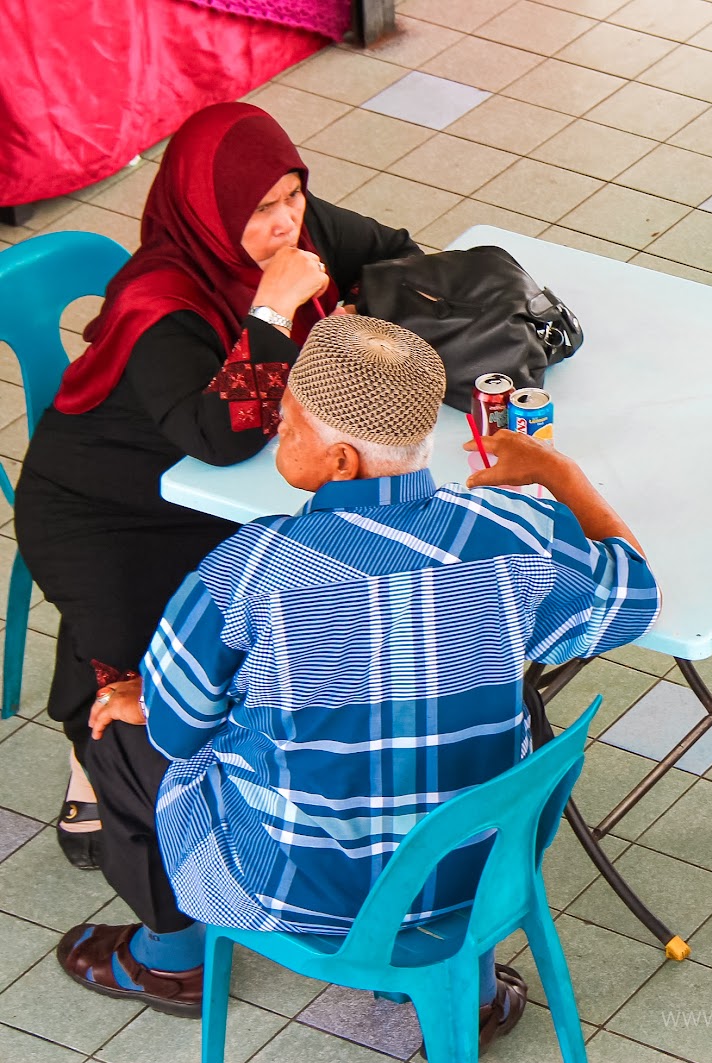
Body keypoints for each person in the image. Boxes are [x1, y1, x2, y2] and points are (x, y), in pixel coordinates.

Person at [61, 316, 659, 1046]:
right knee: (509, 708)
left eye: (286, 425)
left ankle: (169, 957)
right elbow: (634, 597)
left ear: (341, 460)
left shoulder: (245, 571)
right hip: (481, 877)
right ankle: (468, 989)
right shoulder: (515, 533)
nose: (277, 436)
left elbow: (178, 732)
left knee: (121, 738)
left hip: (299, 892)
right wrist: (565, 479)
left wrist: (154, 695)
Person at [14, 101, 419, 870]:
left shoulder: (300, 227)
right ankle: (102, 778)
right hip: (101, 507)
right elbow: (222, 439)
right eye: (263, 208)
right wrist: (273, 308)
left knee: (244, 616)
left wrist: (354, 313)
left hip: (208, 494)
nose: (286, 221)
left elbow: (399, 255)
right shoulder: (158, 302)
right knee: (146, 677)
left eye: (293, 194)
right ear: (210, 209)